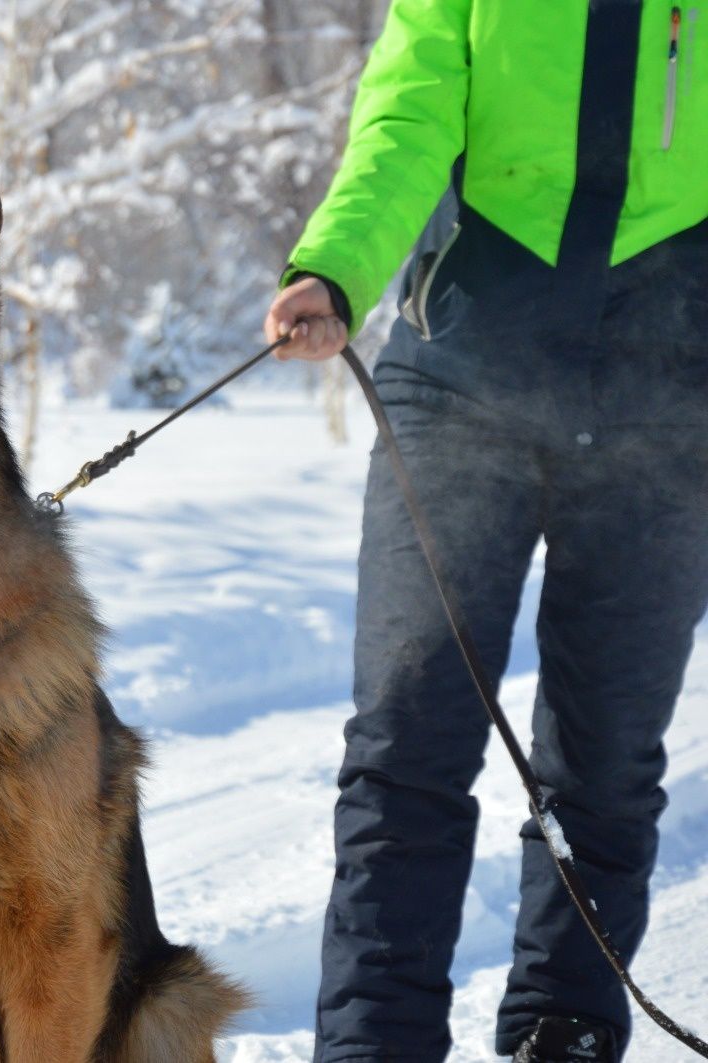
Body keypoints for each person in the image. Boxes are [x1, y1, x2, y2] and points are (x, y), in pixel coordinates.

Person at [262, 1, 708, 1060]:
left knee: (602, 761)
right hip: (463, 376)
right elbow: (406, 116)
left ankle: (566, 1029)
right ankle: (375, 1042)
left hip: (669, 393)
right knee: (407, 738)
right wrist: (336, 266)